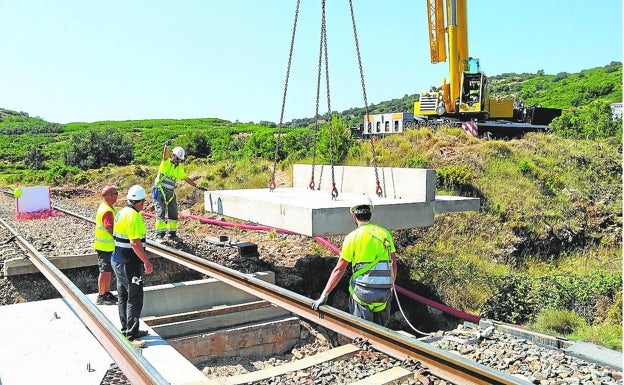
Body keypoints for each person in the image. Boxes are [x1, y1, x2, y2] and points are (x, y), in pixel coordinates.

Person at [312, 195, 398, 327]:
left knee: (362, 331)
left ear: (353, 215)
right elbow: (393, 263)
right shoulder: (385, 233)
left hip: (363, 294)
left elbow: (339, 269)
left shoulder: (352, 238)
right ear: (370, 213)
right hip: (384, 294)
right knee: (381, 333)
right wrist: (390, 286)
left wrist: (325, 294)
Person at [112, 184, 153, 343]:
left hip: (117, 260)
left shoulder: (121, 212)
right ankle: (132, 335)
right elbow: (135, 243)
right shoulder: (134, 216)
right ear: (140, 202)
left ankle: (126, 329)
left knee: (123, 296)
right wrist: (146, 261)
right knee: (134, 298)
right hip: (130, 264)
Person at [152, 140, 205, 241]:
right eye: (177, 158)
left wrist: (196, 186)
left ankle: (172, 234)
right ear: (173, 155)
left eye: (180, 159)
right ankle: (159, 235)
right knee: (161, 212)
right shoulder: (166, 163)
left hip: (170, 193)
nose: (178, 160)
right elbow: (165, 156)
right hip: (160, 191)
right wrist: (166, 146)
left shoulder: (179, 168)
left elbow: (186, 178)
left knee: (173, 213)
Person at [94, 185, 119, 305]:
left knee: (107, 271)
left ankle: (106, 292)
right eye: (115, 193)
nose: (117, 196)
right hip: (105, 247)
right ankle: (101, 295)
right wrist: (118, 237)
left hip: (106, 246)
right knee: (104, 271)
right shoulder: (107, 210)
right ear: (110, 196)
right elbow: (109, 227)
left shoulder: (106, 207)